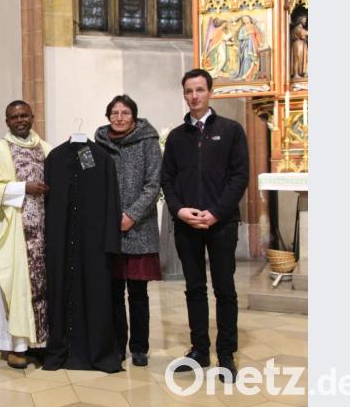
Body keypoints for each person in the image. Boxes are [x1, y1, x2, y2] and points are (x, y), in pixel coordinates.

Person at [161, 68, 249, 383]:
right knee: (194, 289)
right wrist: (179, 209)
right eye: (188, 91)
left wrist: (215, 212)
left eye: (199, 90)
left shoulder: (231, 130)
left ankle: (226, 355)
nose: (194, 96)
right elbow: (167, 179)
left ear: (210, 92)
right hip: (186, 225)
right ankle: (199, 349)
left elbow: (240, 177)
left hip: (221, 224)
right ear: (184, 94)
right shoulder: (176, 137)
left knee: (224, 290)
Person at [42, 128, 122, 373]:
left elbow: (111, 202)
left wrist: (111, 242)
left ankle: (95, 349)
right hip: (61, 240)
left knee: (94, 290)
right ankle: (62, 346)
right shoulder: (54, 159)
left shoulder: (103, 158)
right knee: (62, 290)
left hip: (93, 242)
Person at [0, 100, 51, 369]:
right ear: (6, 121)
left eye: (24, 115)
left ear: (32, 117)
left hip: (43, 234)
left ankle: (40, 343)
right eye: (14, 117)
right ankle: (15, 347)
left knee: (42, 288)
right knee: (14, 287)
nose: (20, 120)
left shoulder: (46, 148)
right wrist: (24, 188)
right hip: (13, 233)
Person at [94, 95, 162, 367]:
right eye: (114, 112)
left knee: (137, 294)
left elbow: (153, 183)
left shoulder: (148, 141)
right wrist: (110, 217)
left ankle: (139, 347)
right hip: (109, 229)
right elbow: (94, 183)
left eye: (125, 113)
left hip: (140, 229)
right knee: (112, 292)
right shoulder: (98, 144)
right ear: (108, 115)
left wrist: (132, 215)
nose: (119, 117)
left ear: (133, 116)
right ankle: (117, 344)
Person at [290, 14, 308, 79]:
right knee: (297, 59)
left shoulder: (300, 28)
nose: (305, 21)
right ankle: (296, 74)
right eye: (304, 19)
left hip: (301, 45)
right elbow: (304, 33)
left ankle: (299, 73)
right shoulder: (297, 28)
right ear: (300, 20)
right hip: (298, 45)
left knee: (300, 59)